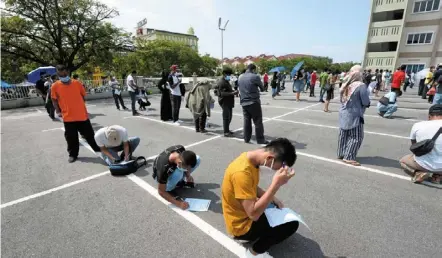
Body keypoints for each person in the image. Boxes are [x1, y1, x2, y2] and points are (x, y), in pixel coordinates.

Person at [221, 138, 298, 258]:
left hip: (244, 214)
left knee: (275, 208)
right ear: (270, 158)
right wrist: (275, 185)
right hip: (241, 226)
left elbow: (252, 187)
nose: (274, 171)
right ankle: (254, 252)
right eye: (275, 168)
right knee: (292, 224)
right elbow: (253, 214)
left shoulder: (249, 159)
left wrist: (273, 198)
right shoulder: (241, 173)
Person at [51, 65, 101, 163]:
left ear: (68, 72)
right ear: (57, 74)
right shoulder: (55, 86)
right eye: (60, 72)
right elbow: (54, 100)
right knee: (71, 138)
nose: (63, 74)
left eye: (65, 72)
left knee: (90, 135)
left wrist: (80, 107)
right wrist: (58, 111)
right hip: (68, 117)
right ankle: (73, 154)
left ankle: (97, 148)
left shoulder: (77, 83)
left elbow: (83, 96)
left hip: (82, 116)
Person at [399, 104, 442, 184]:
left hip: (424, 164)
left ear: (429, 116)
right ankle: (437, 176)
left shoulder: (418, 125)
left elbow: (415, 146)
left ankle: (418, 173)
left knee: (403, 161)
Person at [337, 65, 370, 166]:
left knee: (343, 134)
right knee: (356, 136)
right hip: (354, 113)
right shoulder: (361, 85)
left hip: (343, 112)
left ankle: (341, 153)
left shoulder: (346, 84)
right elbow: (365, 101)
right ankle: (349, 156)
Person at [153, 145, 201, 209]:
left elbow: (186, 162)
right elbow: (161, 191)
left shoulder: (180, 149)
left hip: (175, 168)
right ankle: (169, 188)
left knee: (197, 158)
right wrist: (179, 204)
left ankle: (178, 181)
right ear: (179, 163)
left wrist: (188, 175)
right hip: (160, 176)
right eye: (186, 169)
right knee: (179, 173)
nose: (188, 170)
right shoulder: (163, 168)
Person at [238, 64, 268, 144]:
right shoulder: (255, 76)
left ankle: (246, 139)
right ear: (253, 69)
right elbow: (262, 88)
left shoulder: (240, 77)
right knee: (258, 121)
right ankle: (260, 139)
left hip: (244, 102)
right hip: (253, 102)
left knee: (246, 121)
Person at [217, 67, 237, 137]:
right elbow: (222, 93)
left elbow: (227, 91)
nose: (230, 76)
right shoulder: (222, 82)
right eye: (229, 74)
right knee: (226, 117)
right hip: (224, 101)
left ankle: (227, 129)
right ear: (225, 74)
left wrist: (233, 91)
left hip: (229, 101)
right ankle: (226, 132)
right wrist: (232, 93)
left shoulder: (226, 81)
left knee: (230, 116)